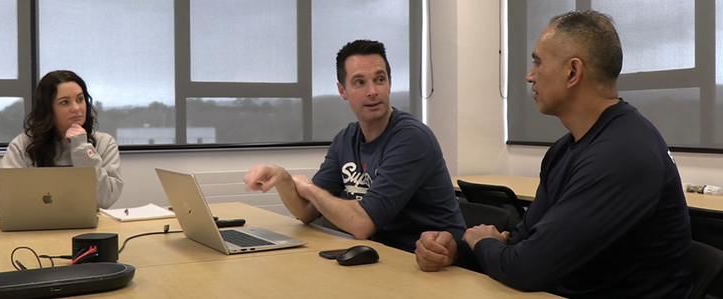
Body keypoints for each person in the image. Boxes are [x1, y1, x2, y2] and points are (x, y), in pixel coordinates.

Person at [414, 10, 692, 298]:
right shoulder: (564, 150)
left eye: (538, 63)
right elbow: (523, 242)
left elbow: (526, 268)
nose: (529, 76)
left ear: (573, 72)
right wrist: (455, 252)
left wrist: (481, 243)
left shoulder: (623, 154)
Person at [244, 39, 466, 253]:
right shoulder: (346, 139)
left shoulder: (412, 139)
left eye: (379, 79)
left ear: (389, 82)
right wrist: (283, 179)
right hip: (384, 256)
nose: (372, 91)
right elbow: (307, 211)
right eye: (360, 82)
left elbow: (362, 224)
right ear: (342, 91)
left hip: (436, 263)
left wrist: (309, 189)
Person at [0, 70, 124, 211]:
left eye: (80, 99)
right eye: (65, 102)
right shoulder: (23, 145)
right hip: (35, 228)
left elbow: (106, 199)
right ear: (48, 109)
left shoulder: (104, 142)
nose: (76, 108)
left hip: (89, 228)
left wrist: (82, 147)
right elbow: (2, 203)